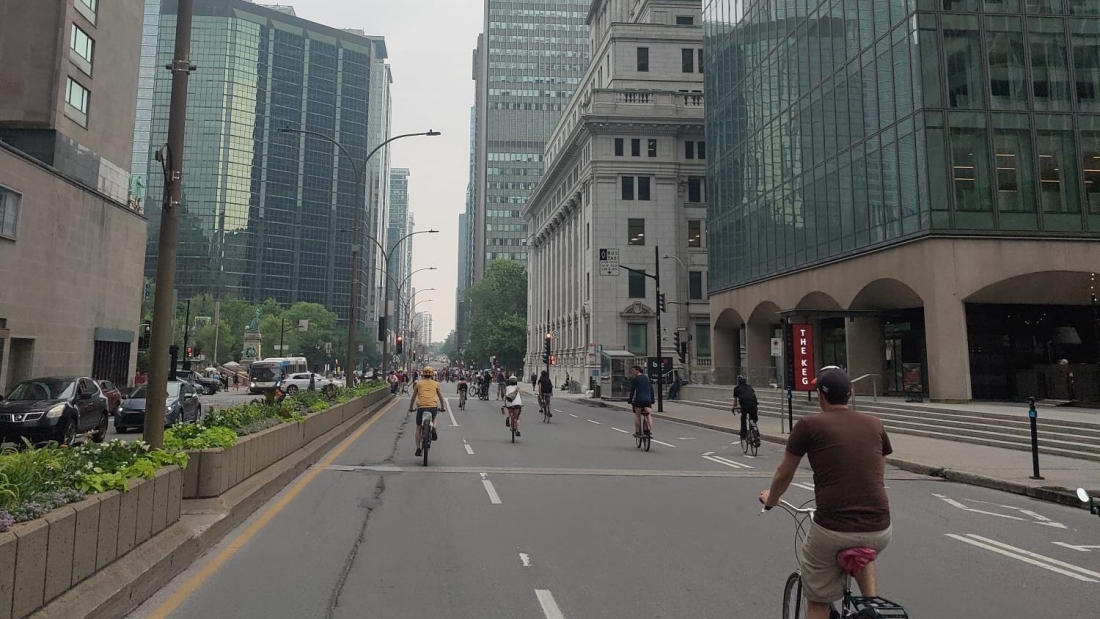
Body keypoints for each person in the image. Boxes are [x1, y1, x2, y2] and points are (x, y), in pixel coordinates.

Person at [759, 367, 893, 619]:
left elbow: (783, 474)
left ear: (820, 395)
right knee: (864, 549)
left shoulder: (808, 424)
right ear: (850, 394)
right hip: (880, 527)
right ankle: (870, 607)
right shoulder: (875, 424)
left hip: (833, 528)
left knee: (818, 600)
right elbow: (878, 471)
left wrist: (771, 501)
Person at [407, 366, 447, 457]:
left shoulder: (418, 384)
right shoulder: (436, 384)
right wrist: (443, 407)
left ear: (423, 374)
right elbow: (440, 397)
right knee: (435, 416)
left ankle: (418, 448)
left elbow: (413, 397)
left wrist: (411, 408)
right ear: (432, 375)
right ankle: (433, 427)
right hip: (432, 407)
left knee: (418, 428)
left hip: (421, 408)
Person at [627, 365, 655, 438]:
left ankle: (637, 432)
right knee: (649, 416)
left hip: (639, 400)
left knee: (637, 415)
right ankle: (649, 431)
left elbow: (632, 391)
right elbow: (651, 390)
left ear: (637, 370)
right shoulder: (647, 378)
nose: (633, 372)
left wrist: (630, 400)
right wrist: (652, 399)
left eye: (633, 370)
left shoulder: (636, 379)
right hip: (647, 400)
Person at [732, 375, 758, 440]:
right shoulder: (750, 387)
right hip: (753, 405)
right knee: (754, 419)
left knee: (743, 419)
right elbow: (753, 396)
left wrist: (733, 408)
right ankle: (756, 432)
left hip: (745, 406)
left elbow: (735, 401)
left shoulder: (736, 388)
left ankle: (743, 435)